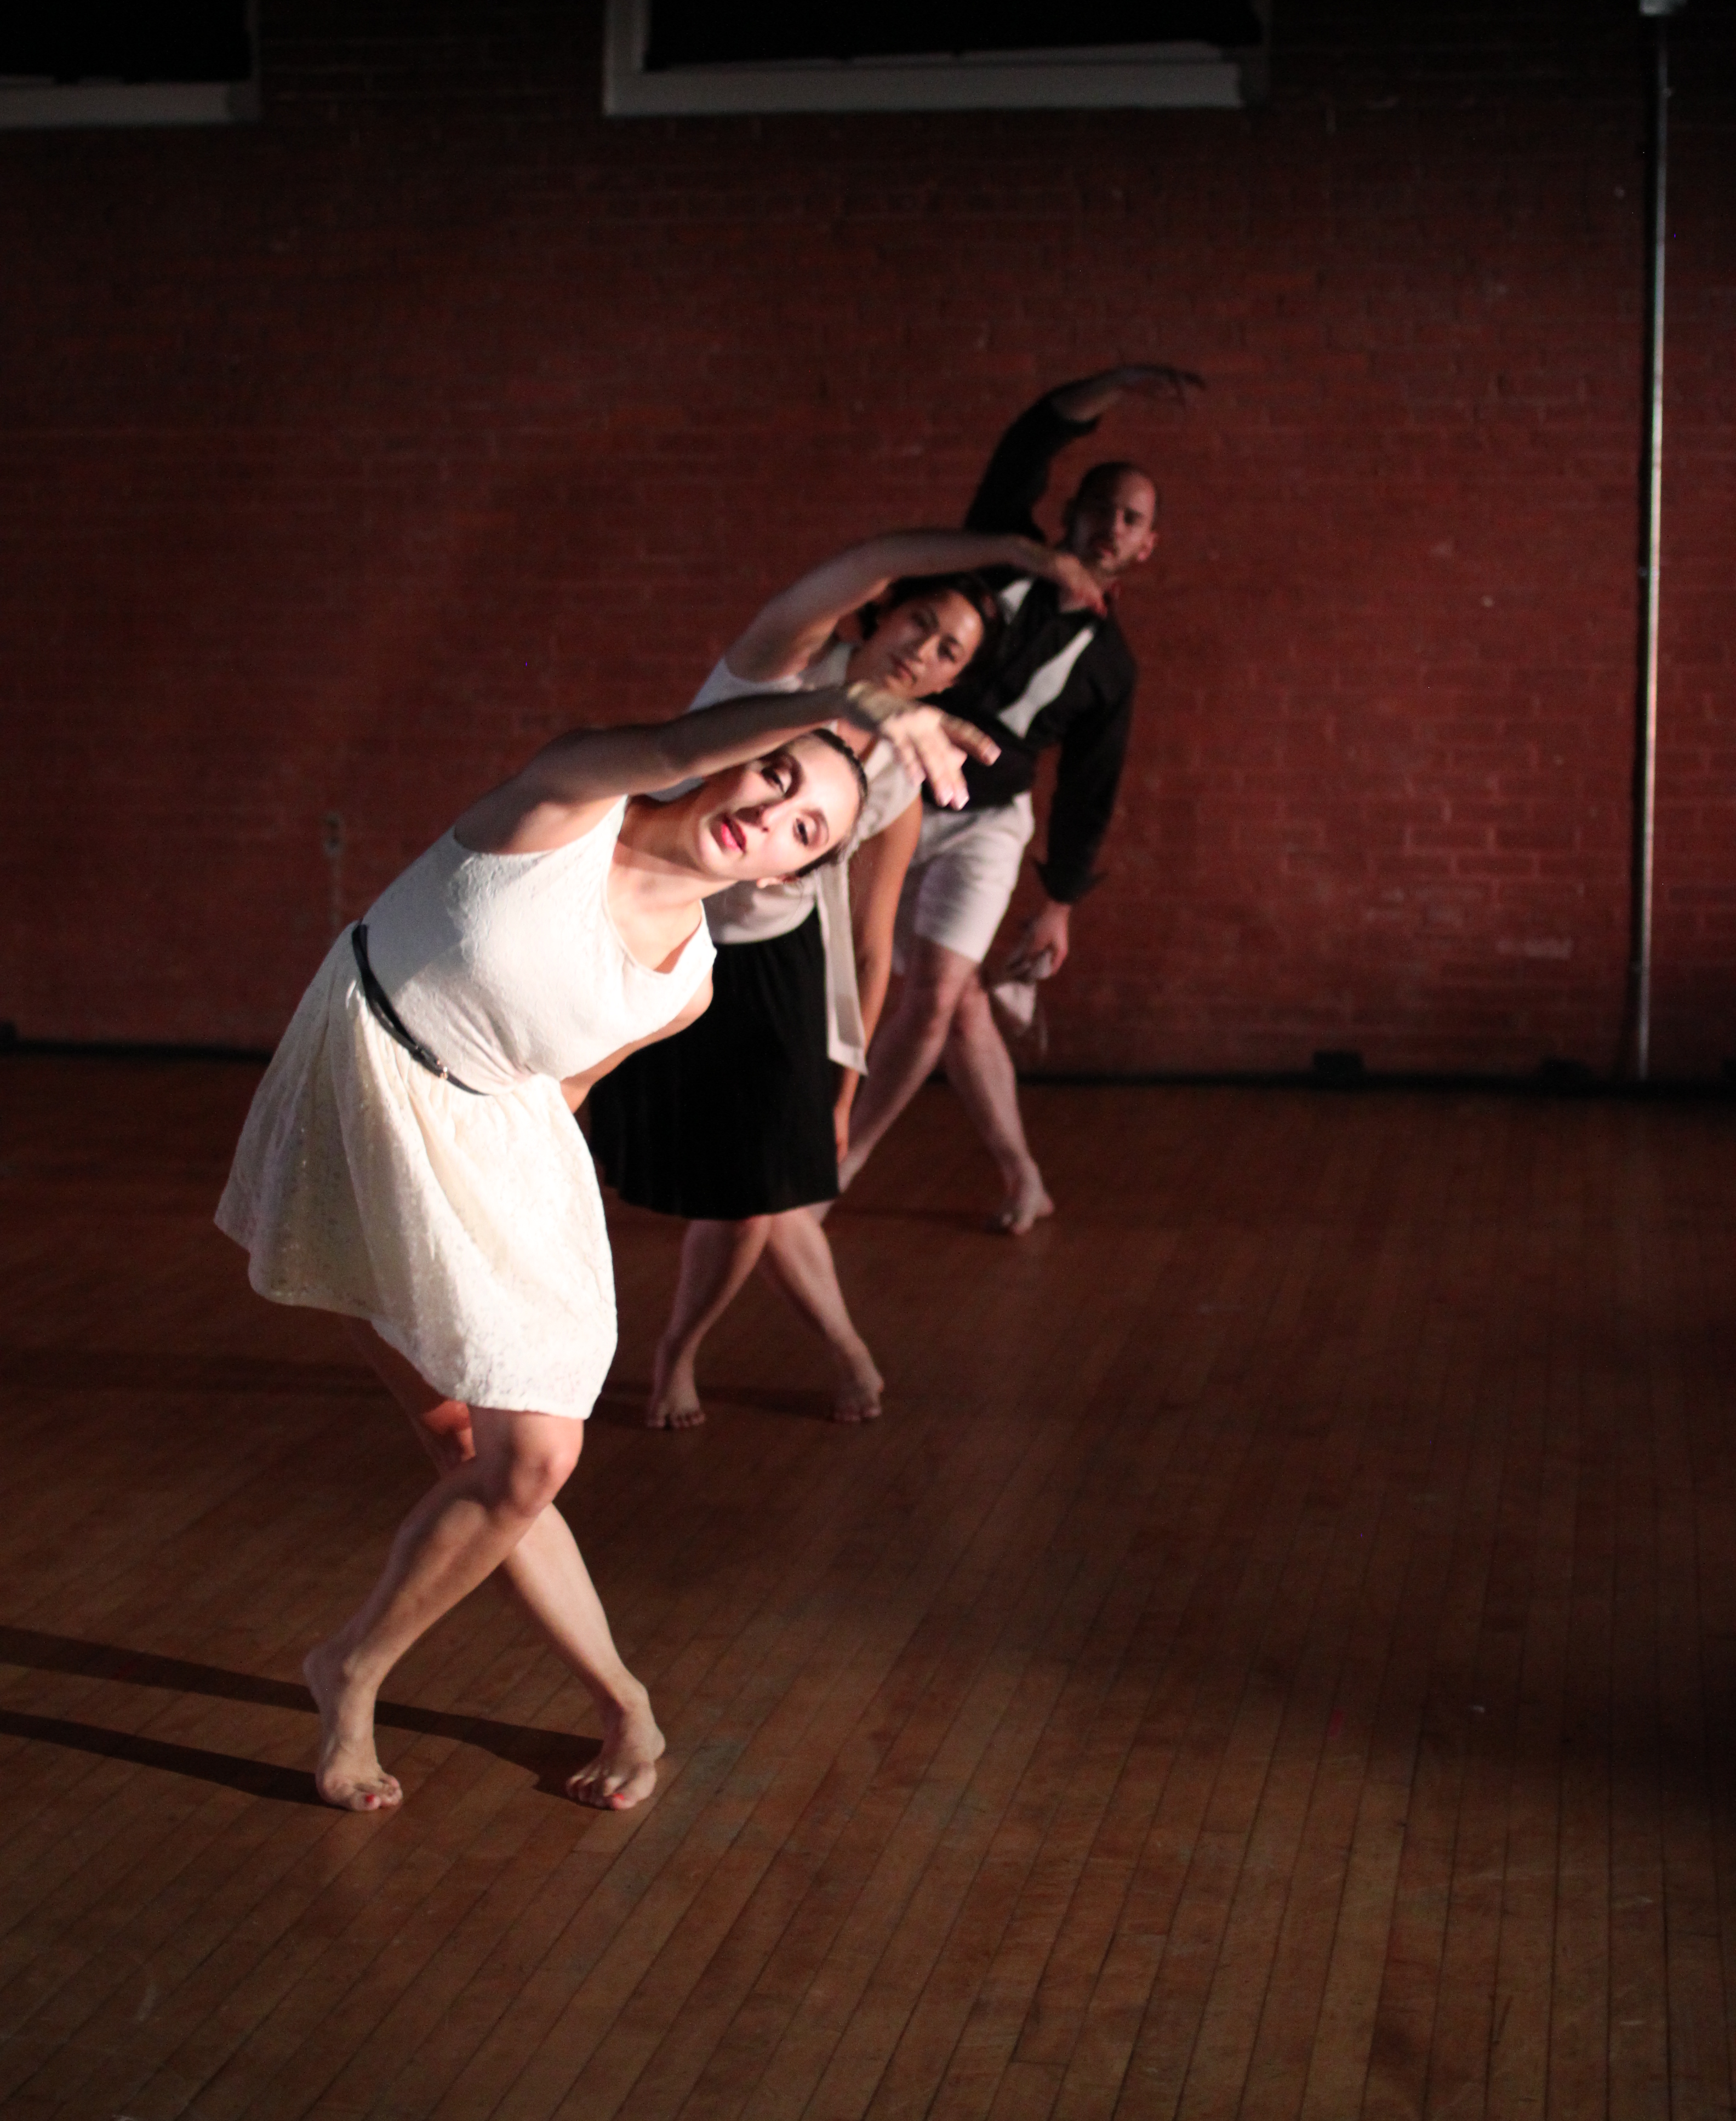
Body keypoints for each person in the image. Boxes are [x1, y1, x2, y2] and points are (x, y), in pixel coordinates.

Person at [216, 674, 990, 1815]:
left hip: (496, 1141)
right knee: (480, 1450)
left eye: (805, 828)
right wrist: (854, 703)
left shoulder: (688, 987)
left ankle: (457, 1681)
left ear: (788, 876)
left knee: (519, 1462)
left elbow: (567, 1087)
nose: (771, 814)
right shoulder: (568, 804)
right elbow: (671, 742)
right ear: (738, 755)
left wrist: (511, 1226)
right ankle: (503, 1690)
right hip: (361, 1094)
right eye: (776, 774)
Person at [589, 528, 1065, 1427]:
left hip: (778, 970)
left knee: (761, 1195)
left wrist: (847, 1083)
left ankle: (692, 1352)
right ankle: (835, 1352)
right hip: (665, 938)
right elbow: (859, 564)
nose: (924, 649)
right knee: (744, 1189)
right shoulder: (777, 671)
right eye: (921, 621)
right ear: (884, 613)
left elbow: (873, 940)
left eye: (950, 650)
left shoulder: (901, 778)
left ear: (954, 680)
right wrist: (1016, 549)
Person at [837, 361, 1202, 1232]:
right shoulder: (993, 550)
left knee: (934, 995)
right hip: (890, 794)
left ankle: (841, 1164)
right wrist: (1121, 380)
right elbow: (1031, 436)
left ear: (1147, 547)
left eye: (1132, 520)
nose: (1112, 526)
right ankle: (1023, 1177)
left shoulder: (1112, 667)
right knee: (960, 1003)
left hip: (986, 827)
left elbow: (1088, 790)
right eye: (1102, 507)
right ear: (1070, 511)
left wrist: (1060, 904)